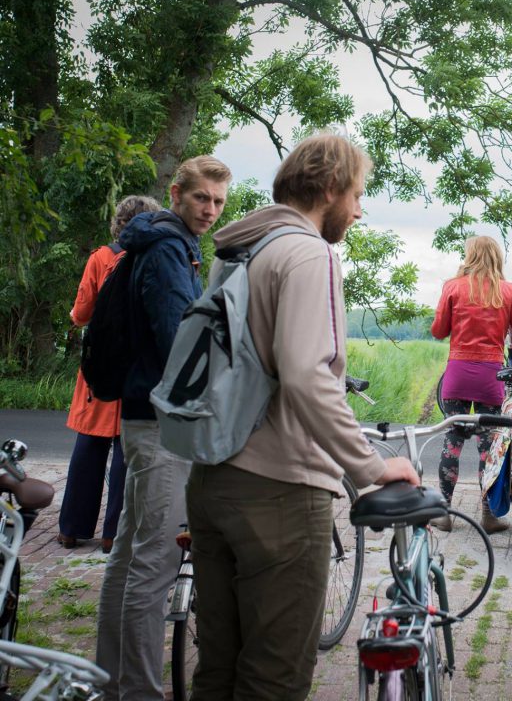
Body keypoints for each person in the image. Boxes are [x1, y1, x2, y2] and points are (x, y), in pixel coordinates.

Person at [184, 133, 419, 700]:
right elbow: (307, 374)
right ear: (331, 187)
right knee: (274, 676)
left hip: (214, 475)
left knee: (218, 667)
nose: (359, 210)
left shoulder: (241, 250)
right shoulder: (309, 251)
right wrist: (369, 466)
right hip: (280, 490)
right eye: (358, 195)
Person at [96, 156, 231, 701]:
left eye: (219, 202)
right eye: (202, 198)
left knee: (128, 556)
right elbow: (182, 343)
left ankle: (108, 682)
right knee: (154, 564)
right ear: (176, 193)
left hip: (140, 415)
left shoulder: (153, 243)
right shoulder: (170, 251)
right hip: (161, 424)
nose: (210, 209)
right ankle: (140, 694)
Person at [430, 235, 512, 533]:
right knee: (488, 449)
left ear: (469, 256)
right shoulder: (509, 291)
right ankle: (489, 515)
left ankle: (443, 513)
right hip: (492, 376)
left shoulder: (452, 287)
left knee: (452, 444)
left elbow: (438, 330)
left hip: (457, 373)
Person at [58, 195, 161, 554]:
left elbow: (82, 313)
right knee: (126, 449)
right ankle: (113, 535)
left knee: (88, 443)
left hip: (101, 365)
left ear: (118, 223)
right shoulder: (155, 259)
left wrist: (77, 313)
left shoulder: (101, 258)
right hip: (136, 367)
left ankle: (72, 528)